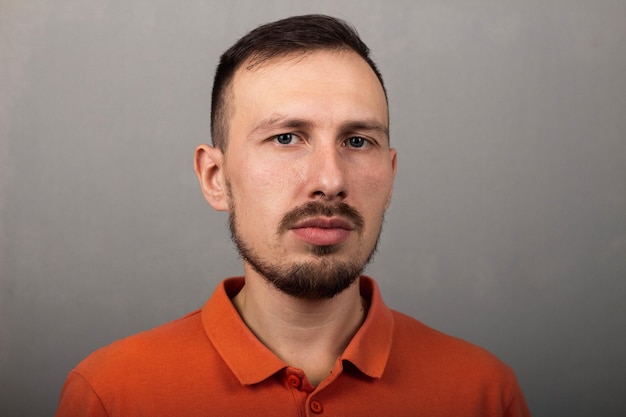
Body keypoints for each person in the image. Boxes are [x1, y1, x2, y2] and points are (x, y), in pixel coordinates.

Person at [55, 14, 530, 416]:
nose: (330, 178)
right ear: (215, 177)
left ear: (389, 175)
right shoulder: (112, 394)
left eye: (357, 141)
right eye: (286, 138)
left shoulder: (482, 392)